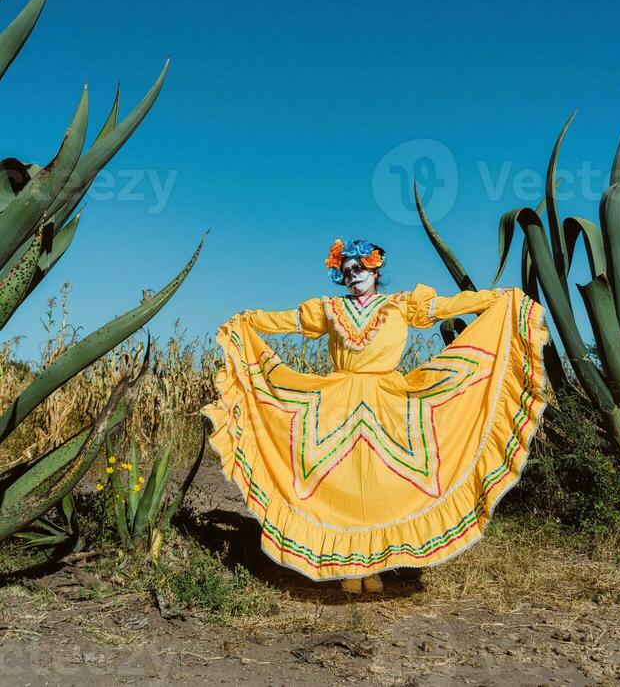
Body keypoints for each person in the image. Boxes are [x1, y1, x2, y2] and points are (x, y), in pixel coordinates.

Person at [201, 238, 548, 594]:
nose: (353, 276)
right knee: (344, 486)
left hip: (389, 402)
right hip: (337, 404)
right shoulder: (330, 309)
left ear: (375, 268)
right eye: (346, 271)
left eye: (359, 268)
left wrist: (495, 299)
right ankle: (349, 566)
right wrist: (248, 320)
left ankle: (377, 566)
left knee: (384, 486)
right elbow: (286, 319)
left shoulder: (401, 305)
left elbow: (447, 306)